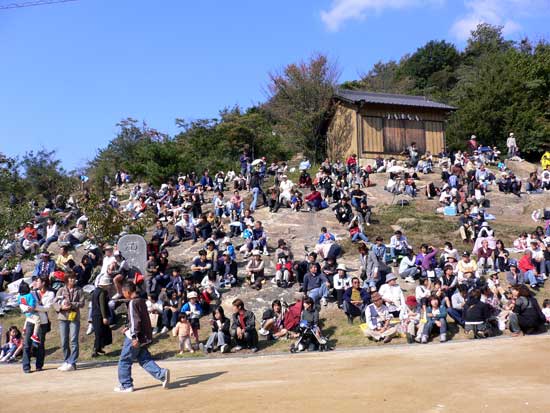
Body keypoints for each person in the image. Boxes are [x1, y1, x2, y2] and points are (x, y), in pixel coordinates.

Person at [115, 281, 170, 393]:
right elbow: (138, 320)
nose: (123, 294)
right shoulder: (141, 301)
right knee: (144, 359)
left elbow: (136, 321)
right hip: (143, 335)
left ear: (127, 292)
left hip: (134, 338)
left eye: (123, 292)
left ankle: (126, 384)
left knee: (124, 361)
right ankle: (161, 374)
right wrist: (128, 327)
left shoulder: (132, 303)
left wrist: (134, 337)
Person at [21, 276, 54, 374]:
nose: (36, 282)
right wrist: (27, 308)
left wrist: (34, 307)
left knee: (40, 344)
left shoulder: (50, 293)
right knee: (27, 344)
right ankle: (26, 366)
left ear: (43, 283)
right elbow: (23, 302)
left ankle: (39, 365)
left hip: (42, 322)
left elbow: (47, 308)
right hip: (30, 320)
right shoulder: (32, 292)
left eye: (38, 281)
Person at [53, 271, 85, 371]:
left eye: (73, 278)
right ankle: (66, 360)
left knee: (74, 340)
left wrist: (71, 304)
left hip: (74, 317)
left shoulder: (79, 290)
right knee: (64, 341)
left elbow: (82, 303)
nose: (72, 280)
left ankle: (72, 362)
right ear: (66, 279)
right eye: (70, 278)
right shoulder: (61, 290)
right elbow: (54, 303)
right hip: (63, 317)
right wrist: (61, 307)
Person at [91, 276, 113, 358]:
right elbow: (102, 305)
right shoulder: (102, 292)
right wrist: (104, 317)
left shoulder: (95, 291)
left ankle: (99, 348)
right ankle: (96, 349)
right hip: (99, 315)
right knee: (100, 333)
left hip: (95, 314)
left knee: (100, 332)